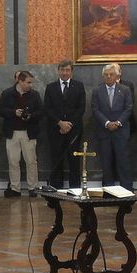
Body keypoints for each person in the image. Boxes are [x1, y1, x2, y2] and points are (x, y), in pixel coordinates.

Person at [0, 70, 43, 197]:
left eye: (31, 82)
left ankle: (33, 187)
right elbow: (0, 110)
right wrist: (14, 112)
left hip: (29, 133)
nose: (31, 85)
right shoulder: (7, 93)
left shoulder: (35, 95)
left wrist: (30, 116)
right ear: (20, 81)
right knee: (13, 161)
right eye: (28, 82)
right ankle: (15, 188)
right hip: (12, 133)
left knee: (31, 161)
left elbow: (41, 112)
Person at [45, 60, 86, 188]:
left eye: (67, 70)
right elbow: (47, 108)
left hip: (73, 131)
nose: (65, 73)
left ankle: (75, 189)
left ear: (71, 72)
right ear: (58, 71)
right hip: (55, 130)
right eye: (62, 70)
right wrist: (60, 123)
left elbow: (81, 108)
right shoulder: (50, 87)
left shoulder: (79, 86)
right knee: (57, 160)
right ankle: (56, 189)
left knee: (74, 161)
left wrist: (69, 125)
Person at [92, 63, 133, 189]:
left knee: (123, 162)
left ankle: (126, 189)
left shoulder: (125, 90)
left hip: (121, 131)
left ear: (117, 76)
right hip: (104, 132)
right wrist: (107, 123)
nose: (108, 77)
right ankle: (108, 190)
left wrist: (118, 123)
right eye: (106, 75)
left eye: (111, 74)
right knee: (106, 162)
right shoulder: (97, 91)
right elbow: (95, 109)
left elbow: (128, 108)